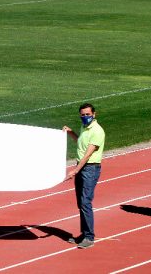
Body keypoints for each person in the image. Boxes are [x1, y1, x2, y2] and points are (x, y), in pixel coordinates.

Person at [63, 103, 105, 249]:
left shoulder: (97, 131)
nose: (85, 117)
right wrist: (71, 132)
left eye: (88, 114)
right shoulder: (84, 128)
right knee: (81, 202)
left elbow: (87, 155)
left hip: (89, 168)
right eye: (83, 114)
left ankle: (89, 237)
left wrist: (75, 170)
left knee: (86, 202)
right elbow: (80, 142)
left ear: (94, 114)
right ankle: (84, 233)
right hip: (81, 167)